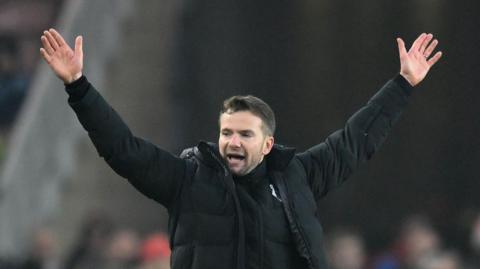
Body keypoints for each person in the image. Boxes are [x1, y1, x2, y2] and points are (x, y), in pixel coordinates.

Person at [39, 28, 442, 269]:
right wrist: (78, 87)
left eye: (244, 135)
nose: (232, 141)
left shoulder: (296, 176)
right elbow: (123, 149)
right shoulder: (186, 180)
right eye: (227, 132)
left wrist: (403, 85)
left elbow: (355, 141)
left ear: (267, 144)